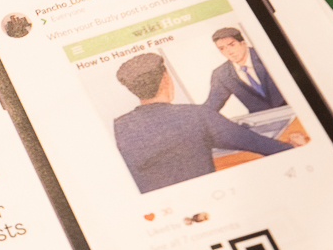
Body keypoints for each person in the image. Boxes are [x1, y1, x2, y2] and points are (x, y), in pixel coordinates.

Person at [111, 52, 293, 193]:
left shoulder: (118, 127)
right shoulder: (197, 116)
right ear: (166, 78)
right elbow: (264, 145)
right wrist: (292, 145)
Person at [202, 26, 285, 114]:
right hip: (262, 119)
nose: (229, 51)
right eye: (222, 48)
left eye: (232, 45)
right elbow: (211, 105)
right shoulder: (221, 74)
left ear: (243, 43)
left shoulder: (267, 54)